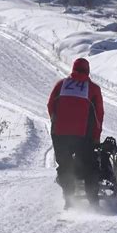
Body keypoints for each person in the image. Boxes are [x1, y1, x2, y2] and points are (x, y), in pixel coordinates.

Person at [47, 58, 104, 210]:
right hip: (82, 135)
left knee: (65, 165)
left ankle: (69, 200)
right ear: (88, 70)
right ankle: (93, 203)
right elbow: (99, 115)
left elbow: (50, 104)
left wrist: (56, 121)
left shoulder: (61, 84)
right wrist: (96, 136)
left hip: (59, 133)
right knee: (89, 166)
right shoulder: (93, 88)